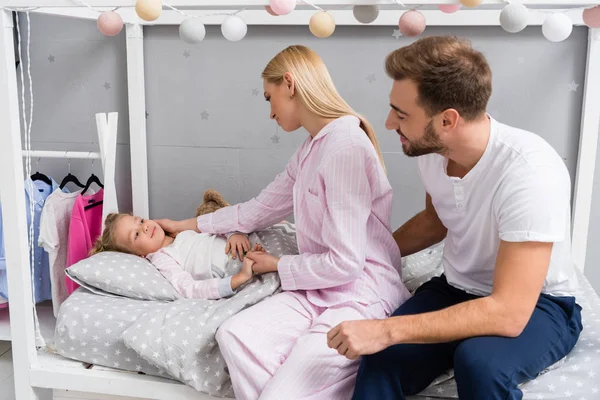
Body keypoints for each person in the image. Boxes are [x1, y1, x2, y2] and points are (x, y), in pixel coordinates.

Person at [326, 35, 583, 400]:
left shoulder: (530, 172)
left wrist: (386, 329)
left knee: (478, 362)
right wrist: (366, 254)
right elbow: (436, 220)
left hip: (537, 305)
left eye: (401, 114)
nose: (387, 123)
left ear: (447, 120)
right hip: (455, 289)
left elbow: (509, 312)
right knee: (381, 358)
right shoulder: (432, 150)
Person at [157, 44, 411, 400]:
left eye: (268, 97)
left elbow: (347, 263)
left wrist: (277, 264)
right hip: (317, 290)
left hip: (359, 294)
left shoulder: (345, 148)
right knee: (235, 335)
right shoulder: (312, 148)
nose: (270, 111)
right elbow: (258, 209)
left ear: (289, 84)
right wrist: (188, 224)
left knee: (280, 392)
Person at [90, 212, 265, 300]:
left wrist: (232, 234)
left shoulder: (177, 231)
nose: (144, 228)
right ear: (140, 255)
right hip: (232, 267)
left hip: (240, 243)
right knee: (267, 265)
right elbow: (188, 289)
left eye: (141, 221)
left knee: (275, 228)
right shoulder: (162, 258)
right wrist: (238, 278)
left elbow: (216, 224)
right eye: (136, 235)